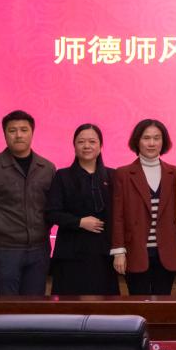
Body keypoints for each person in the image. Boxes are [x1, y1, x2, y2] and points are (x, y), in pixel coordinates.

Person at [0, 110, 56, 296]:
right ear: (4, 134)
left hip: (39, 249)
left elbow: (51, 208)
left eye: (24, 130)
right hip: (5, 250)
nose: (18, 135)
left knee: (35, 305)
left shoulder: (47, 168)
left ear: (32, 132)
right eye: (12, 130)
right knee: (7, 306)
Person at [111, 118, 176, 295]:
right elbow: (117, 216)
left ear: (163, 142)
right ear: (137, 141)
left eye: (157, 138)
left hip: (166, 250)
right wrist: (119, 251)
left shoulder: (175, 173)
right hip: (136, 250)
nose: (151, 143)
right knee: (138, 302)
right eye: (146, 138)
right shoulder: (123, 174)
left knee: (163, 302)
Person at [45, 124, 118, 295]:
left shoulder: (113, 176)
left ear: (100, 146)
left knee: (104, 305)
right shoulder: (62, 176)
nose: (87, 146)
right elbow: (51, 213)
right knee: (70, 305)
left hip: (103, 254)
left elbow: (120, 215)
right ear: (74, 145)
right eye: (81, 142)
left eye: (92, 141)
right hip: (71, 253)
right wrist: (79, 222)